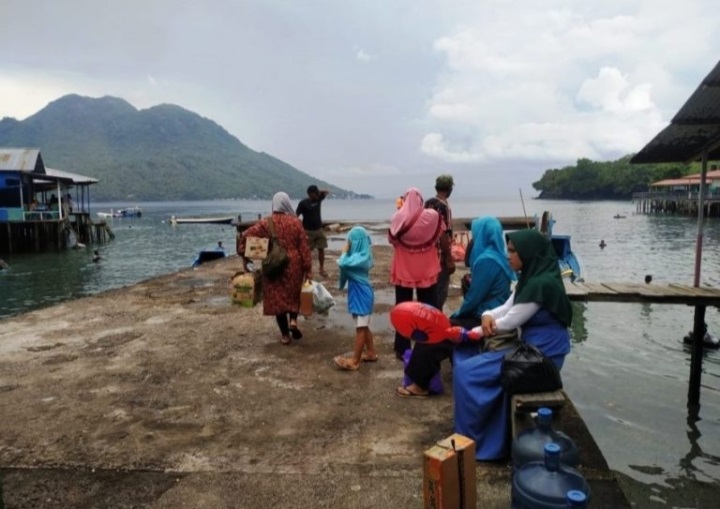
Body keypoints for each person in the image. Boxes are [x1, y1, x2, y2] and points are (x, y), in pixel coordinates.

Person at [452, 228, 573, 460]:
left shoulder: (541, 285)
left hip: (542, 357)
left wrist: (472, 333)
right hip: (529, 350)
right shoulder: (529, 278)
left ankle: (481, 443)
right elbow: (505, 308)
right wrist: (487, 314)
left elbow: (509, 321)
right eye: (508, 250)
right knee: (469, 365)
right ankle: (484, 436)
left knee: (466, 372)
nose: (509, 256)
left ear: (528, 254)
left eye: (513, 252)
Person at [396, 216, 514, 397]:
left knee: (435, 334)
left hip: (484, 318)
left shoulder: (486, 260)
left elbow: (473, 298)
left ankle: (420, 385)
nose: (473, 238)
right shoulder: (500, 256)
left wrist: (454, 317)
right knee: (444, 328)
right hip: (490, 316)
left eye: (475, 233)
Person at [239, 192, 312, 345]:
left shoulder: (267, 223)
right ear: (287, 203)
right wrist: (308, 268)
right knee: (293, 296)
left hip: (274, 264)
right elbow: (304, 247)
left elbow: (245, 235)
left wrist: (245, 255)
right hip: (294, 264)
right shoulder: (296, 222)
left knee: (278, 299)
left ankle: (285, 335)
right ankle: (293, 321)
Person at [389, 187, 446, 361]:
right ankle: (430, 342)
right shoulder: (431, 216)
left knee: (402, 307)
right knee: (429, 307)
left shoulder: (398, 217)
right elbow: (440, 233)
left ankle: (401, 346)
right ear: (421, 200)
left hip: (404, 267)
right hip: (426, 268)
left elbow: (392, 240)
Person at [333, 226, 377, 371]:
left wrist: (344, 251)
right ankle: (371, 353)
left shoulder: (361, 258)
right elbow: (344, 265)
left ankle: (355, 361)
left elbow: (343, 263)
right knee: (363, 325)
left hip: (362, 294)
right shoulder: (361, 257)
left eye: (350, 242)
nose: (349, 244)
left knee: (361, 328)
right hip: (359, 293)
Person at [425, 174, 456, 311]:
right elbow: (443, 234)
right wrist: (449, 258)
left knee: (428, 294)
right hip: (440, 258)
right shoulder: (444, 206)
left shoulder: (427, 203)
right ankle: (435, 325)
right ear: (449, 189)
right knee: (440, 293)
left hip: (426, 255)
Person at [296, 185, 330, 277]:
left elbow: (326, 191)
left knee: (321, 249)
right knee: (307, 252)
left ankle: (321, 269)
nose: (318, 195)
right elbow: (296, 215)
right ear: (310, 194)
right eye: (315, 194)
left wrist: (319, 191)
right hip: (307, 231)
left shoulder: (318, 199)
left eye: (318, 193)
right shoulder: (303, 203)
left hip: (319, 229)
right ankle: (308, 271)